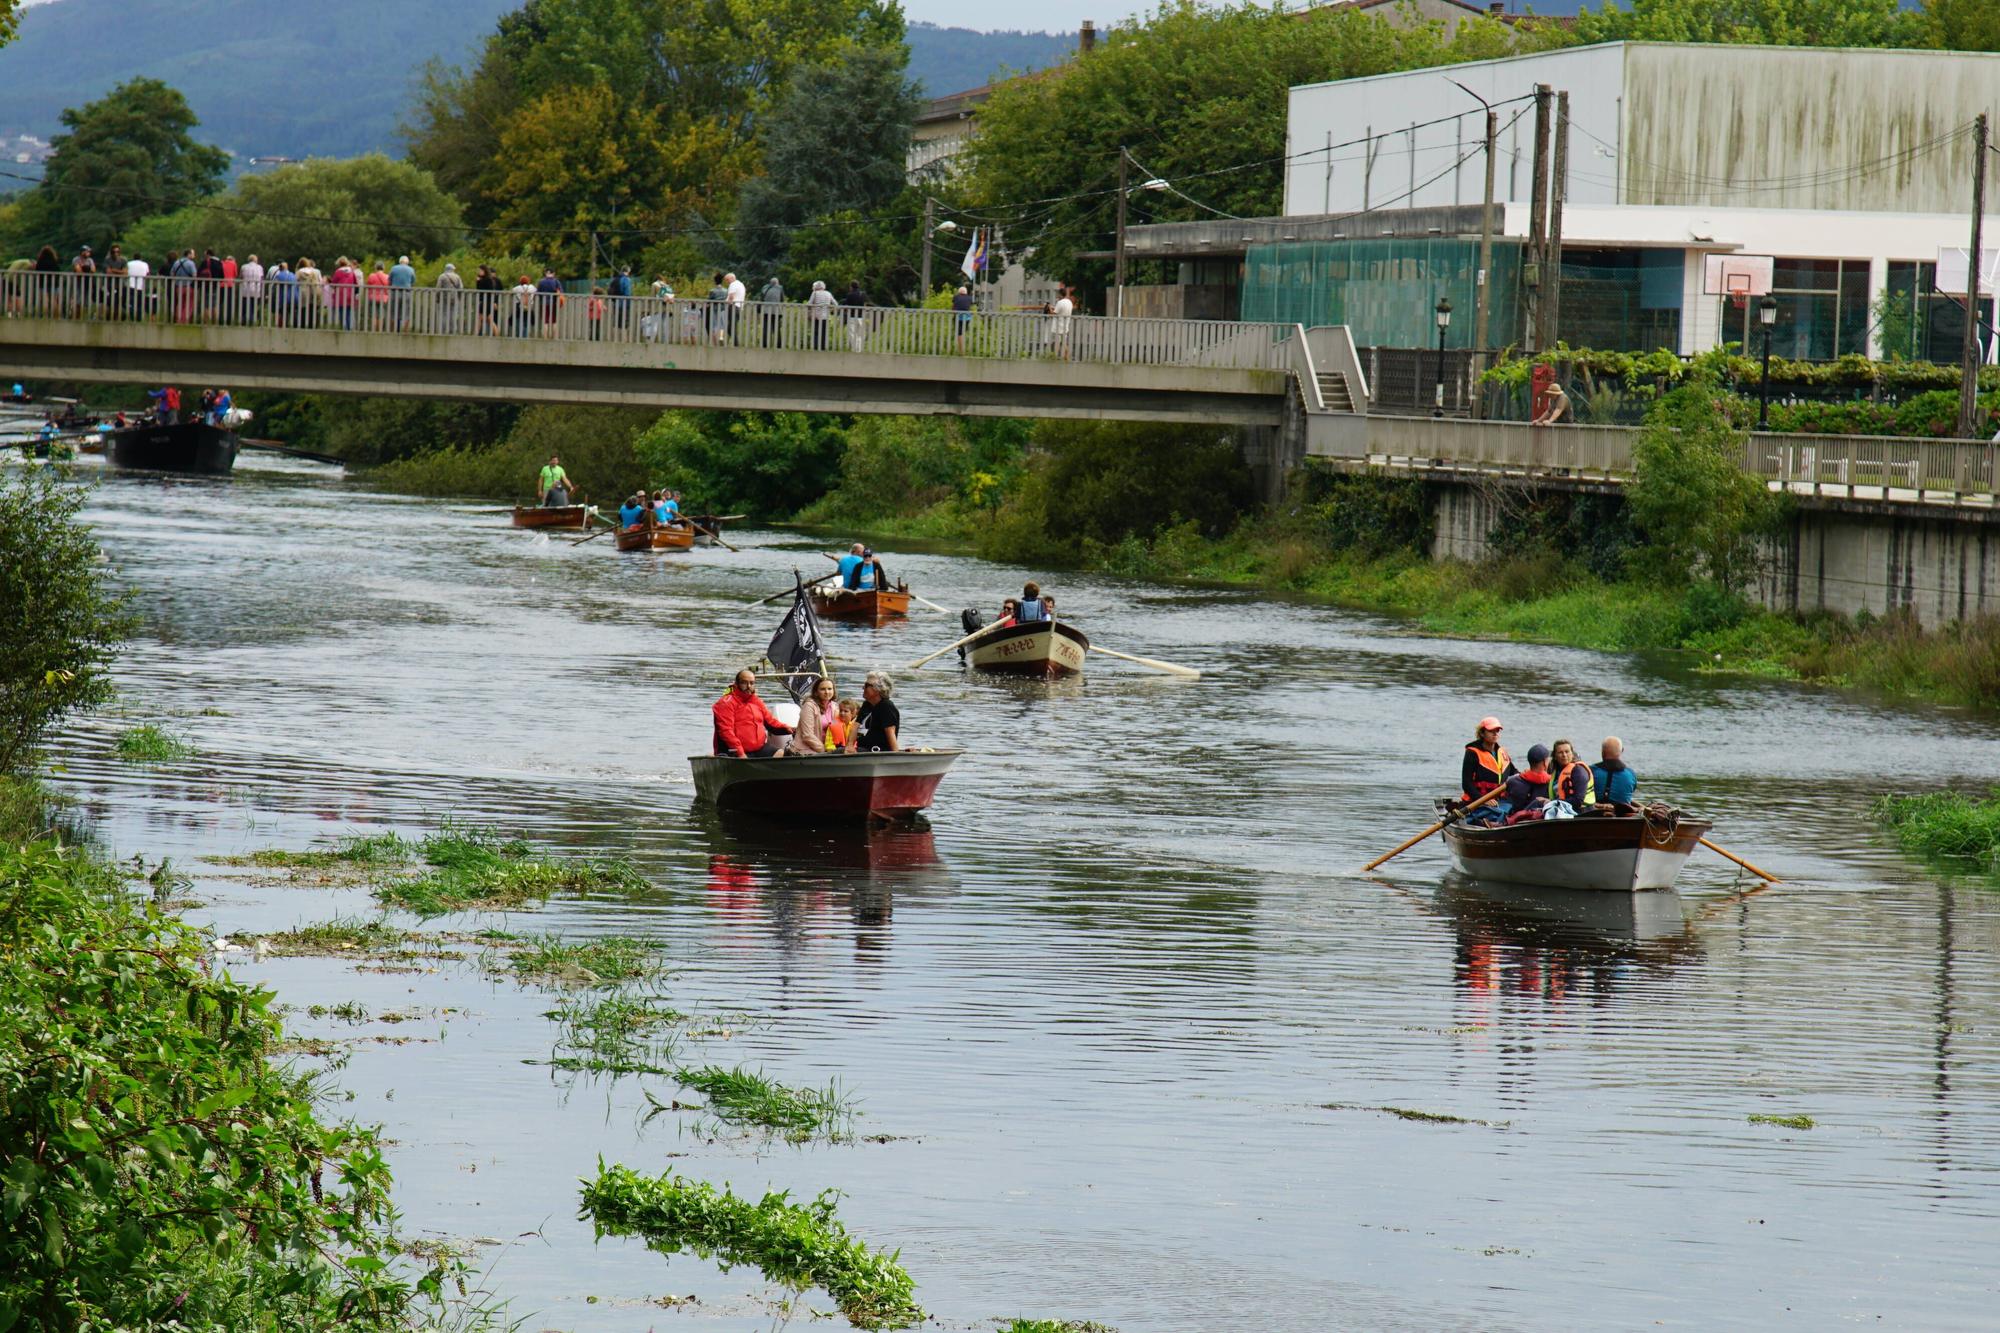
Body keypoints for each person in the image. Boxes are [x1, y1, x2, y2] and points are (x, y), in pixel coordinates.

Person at [712, 669, 793, 758]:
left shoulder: (756, 701)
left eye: (751, 683)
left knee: (781, 754)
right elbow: (726, 732)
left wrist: (789, 729)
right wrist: (741, 753)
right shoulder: (726, 703)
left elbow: (771, 723)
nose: (748, 686)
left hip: (758, 749)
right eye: (744, 683)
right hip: (733, 751)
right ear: (736, 684)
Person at [1459, 716, 1515, 813]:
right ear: (1482, 733)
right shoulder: (1472, 753)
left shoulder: (1502, 752)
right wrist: (1484, 800)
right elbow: (1466, 784)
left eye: (1497, 730)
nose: (1495, 733)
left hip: (1500, 801)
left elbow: (1514, 773)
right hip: (1476, 801)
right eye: (1491, 731)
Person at [1501, 744, 1554, 824]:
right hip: (1536, 819)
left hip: (1513, 817)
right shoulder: (1551, 782)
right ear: (1545, 762)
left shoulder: (1512, 781)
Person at [787, 676, 839, 756]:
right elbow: (807, 735)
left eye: (829, 689)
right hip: (806, 748)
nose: (827, 692)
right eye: (823, 689)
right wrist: (824, 750)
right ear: (816, 692)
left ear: (833, 690)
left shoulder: (834, 706)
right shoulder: (809, 706)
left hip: (829, 747)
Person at [853, 671, 900, 752]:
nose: (863, 687)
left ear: (878, 689)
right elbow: (855, 726)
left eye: (866, 685)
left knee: (838, 752)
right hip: (862, 748)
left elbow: (891, 733)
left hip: (876, 752)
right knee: (839, 751)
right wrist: (849, 746)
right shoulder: (867, 704)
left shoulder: (887, 707)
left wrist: (896, 756)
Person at [1547, 739, 1597, 809]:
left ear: (1572, 754)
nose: (1564, 755)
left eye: (1567, 752)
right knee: (1537, 802)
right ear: (1555, 756)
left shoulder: (1579, 771)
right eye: (1560, 752)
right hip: (1562, 808)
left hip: (1582, 812)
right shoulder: (1556, 772)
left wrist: (1552, 802)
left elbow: (1578, 801)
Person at [1592, 736, 1638, 812]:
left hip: (1595, 813)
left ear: (1602, 751)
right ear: (1622, 750)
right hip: (1623, 814)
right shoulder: (1631, 774)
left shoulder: (1590, 770)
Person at [388, 254, 416, 330]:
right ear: (407, 262)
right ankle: (405, 331)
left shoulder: (394, 268)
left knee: (393, 311)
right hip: (406, 293)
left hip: (395, 292)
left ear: (400, 262)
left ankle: (393, 330)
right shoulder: (411, 269)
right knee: (407, 312)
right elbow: (413, 281)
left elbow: (389, 280)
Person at [435, 261, 463, 333]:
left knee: (444, 314)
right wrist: (459, 298)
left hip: (444, 298)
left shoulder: (442, 276)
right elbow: (461, 288)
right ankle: (453, 330)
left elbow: (438, 288)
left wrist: (437, 298)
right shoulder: (457, 276)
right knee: (453, 314)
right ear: (453, 269)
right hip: (454, 298)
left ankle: (443, 330)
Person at [475, 264, 503, 335]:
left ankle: (476, 334)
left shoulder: (488, 280)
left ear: (484, 271)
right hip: (485, 301)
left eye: (480, 270)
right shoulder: (483, 279)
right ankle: (497, 333)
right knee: (488, 319)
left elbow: (486, 290)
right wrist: (478, 282)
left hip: (486, 302)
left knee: (480, 318)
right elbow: (478, 289)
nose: (479, 272)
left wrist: (479, 282)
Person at [807, 280, 835, 350]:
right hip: (826, 316)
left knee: (816, 332)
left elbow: (809, 304)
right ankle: (823, 348)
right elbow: (835, 304)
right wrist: (830, 309)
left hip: (816, 316)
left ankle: (815, 347)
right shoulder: (828, 293)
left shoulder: (815, 293)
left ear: (816, 287)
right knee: (824, 333)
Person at [841, 280, 867, 352]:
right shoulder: (863, 294)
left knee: (852, 333)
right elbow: (864, 304)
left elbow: (847, 305)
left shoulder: (849, 295)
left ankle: (854, 349)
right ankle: (859, 350)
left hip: (852, 317)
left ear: (851, 287)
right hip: (861, 317)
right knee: (860, 334)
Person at [536, 268, 563, 337]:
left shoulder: (541, 282)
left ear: (546, 273)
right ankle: (554, 337)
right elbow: (561, 292)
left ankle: (545, 337)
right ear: (553, 273)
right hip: (554, 303)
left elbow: (538, 292)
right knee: (554, 321)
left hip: (544, 303)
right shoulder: (556, 281)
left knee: (545, 321)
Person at [1050, 285, 1074, 360]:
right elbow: (1062, 310)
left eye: (1058, 294)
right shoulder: (1069, 302)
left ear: (1060, 294)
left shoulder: (1060, 302)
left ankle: (1055, 356)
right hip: (1066, 324)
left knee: (1057, 342)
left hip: (1058, 325)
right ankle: (1066, 356)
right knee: (1064, 342)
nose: (1057, 296)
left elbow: (1054, 313)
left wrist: (1050, 308)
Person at [239, 254, 264, 326]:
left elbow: (240, 277)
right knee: (253, 307)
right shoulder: (260, 267)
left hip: (245, 290)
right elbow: (262, 278)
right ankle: (252, 321)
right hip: (256, 290)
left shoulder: (243, 267)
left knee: (245, 306)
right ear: (256, 260)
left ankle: (245, 321)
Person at [758, 274, 783, 347]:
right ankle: (778, 345)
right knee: (776, 328)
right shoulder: (780, 288)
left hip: (765, 311)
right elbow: (781, 299)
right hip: (776, 311)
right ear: (777, 283)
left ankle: (764, 344)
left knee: (765, 328)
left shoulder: (764, 287)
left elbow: (761, 298)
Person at [610, 265, 633, 336]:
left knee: (617, 322)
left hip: (616, 302)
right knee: (624, 322)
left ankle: (615, 339)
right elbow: (627, 293)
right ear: (628, 271)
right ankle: (623, 340)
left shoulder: (615, 279)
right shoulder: (626, 279)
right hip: (624, 303)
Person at [725, 271, 746, 344]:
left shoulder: (733, 284)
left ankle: (736, 343)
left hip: (733, 307)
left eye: (727, 280)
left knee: (730, 327)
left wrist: (728, 303)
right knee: (732, 326)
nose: (727, 282)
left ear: (732, 278)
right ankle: (735, 342)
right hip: (739, 307)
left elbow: (731, 296)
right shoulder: (741, 284)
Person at [952, 285, 974, 350]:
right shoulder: (970, 298)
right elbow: (970, 306)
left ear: (959, 292)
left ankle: (961, 349)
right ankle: (964, 343)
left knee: (959, 332)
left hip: (958, 317)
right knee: (964, 331)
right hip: (967, 317)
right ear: (966, 292)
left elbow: (953, 307)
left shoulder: (956, 297)